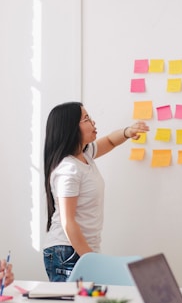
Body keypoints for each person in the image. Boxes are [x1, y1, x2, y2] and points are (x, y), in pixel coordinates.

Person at [43, 101, 149, 282]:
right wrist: (92, 260)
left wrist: (128, 132)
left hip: (81, 249)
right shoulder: (68, 169)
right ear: (70, 128)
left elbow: (109, 141)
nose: (93, 123)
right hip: (67, 250)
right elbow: (68, 222)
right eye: (86, 119)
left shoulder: (85, 156)